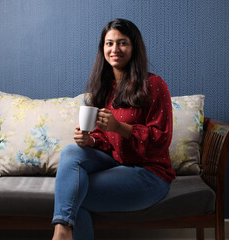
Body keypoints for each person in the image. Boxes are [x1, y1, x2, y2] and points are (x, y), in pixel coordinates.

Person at [51, 18, 176, 240]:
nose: (114, 49)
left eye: (122, 43)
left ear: (134, 47)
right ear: (103, 49)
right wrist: (90, 141)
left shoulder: (154, 85)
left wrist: (120, 127)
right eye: (109, 43)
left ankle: (61, 233)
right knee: (71, 152)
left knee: (73, 196)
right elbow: (105, 139)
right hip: (115, 163)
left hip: (149, 174)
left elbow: (160, 141)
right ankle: (63, 230)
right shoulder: (106, 87)